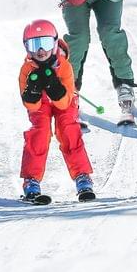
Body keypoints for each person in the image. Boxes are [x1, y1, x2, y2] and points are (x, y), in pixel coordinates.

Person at [19, 19, 94, 200]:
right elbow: (31, 106)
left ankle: (82, 177)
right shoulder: (27, 70)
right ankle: (31, 180)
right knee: (40, 131)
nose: (41, 51)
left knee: (68, 128)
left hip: (63, 101)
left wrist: (54, 86)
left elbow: (64, 103)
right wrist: (33, 92)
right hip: (41, 104)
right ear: (27, 47)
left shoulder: (64, 66)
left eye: (44, 43)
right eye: (34, 45)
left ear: (53, 43)